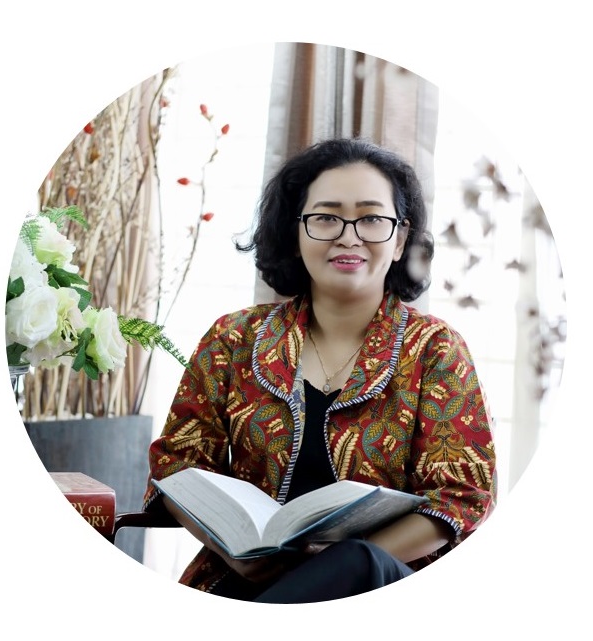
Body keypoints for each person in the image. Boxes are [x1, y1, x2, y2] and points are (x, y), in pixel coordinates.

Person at [143, 137, 497, 603]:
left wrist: (336, 564)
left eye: (372, 218)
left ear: (400, 240)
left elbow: (461, 496)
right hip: (245, 580)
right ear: (295, 234)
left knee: (357, 561)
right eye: (326, 217)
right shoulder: (234, 338)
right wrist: (232, 552)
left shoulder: (435, 349)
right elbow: (177, 468)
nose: (349, 236)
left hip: (379, 586)